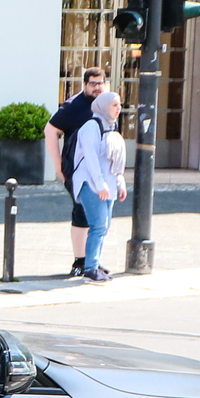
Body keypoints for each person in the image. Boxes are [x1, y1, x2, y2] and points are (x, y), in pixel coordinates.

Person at [45, 66, 108, 277]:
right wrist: (58, 165)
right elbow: (51, 129)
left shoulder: (105, 105)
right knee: (81, 213)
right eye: (93, 84)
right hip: (78, 171)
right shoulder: (74, 106)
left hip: (99, 171)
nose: (97, 87)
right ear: (85, 84)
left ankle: (92, 261)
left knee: (98, 217)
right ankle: (80, 262)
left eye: (101, 83)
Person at [72, 85, 128, 282]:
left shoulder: (110, 128)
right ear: (104, 106)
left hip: (108, 186)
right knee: (98, 225)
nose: (118, 108)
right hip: (91, 184)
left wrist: (120, 183)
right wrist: (100, 184)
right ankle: (91, 267)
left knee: (104, 226)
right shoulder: (91, 127)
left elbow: (116, 162)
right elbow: (91, 159)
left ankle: (94, 263)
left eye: (119, 104)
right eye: (114, 104)